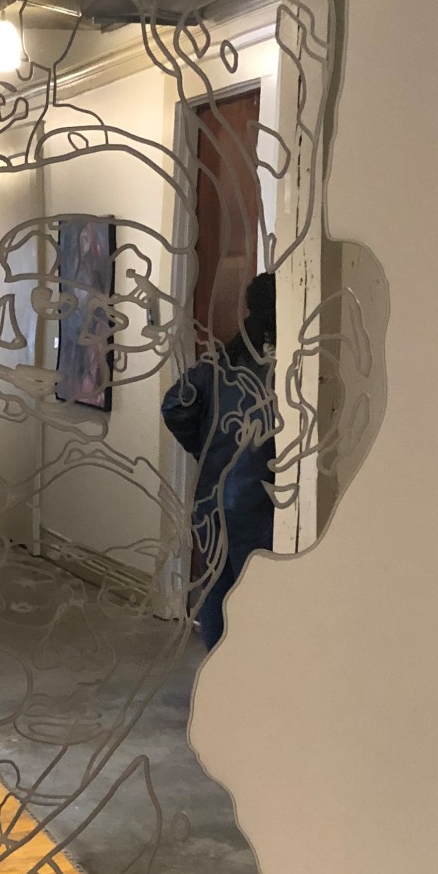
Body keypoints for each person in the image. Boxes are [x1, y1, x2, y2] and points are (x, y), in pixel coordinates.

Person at [162, 270, 278, 650]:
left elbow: (174, 404)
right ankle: (248, 673)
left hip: (211, 495)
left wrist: (207, 448)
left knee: (215, 589)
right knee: (256, 596)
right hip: (258, 502)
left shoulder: (225, 360)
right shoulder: (287, 371)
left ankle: (215, 667)